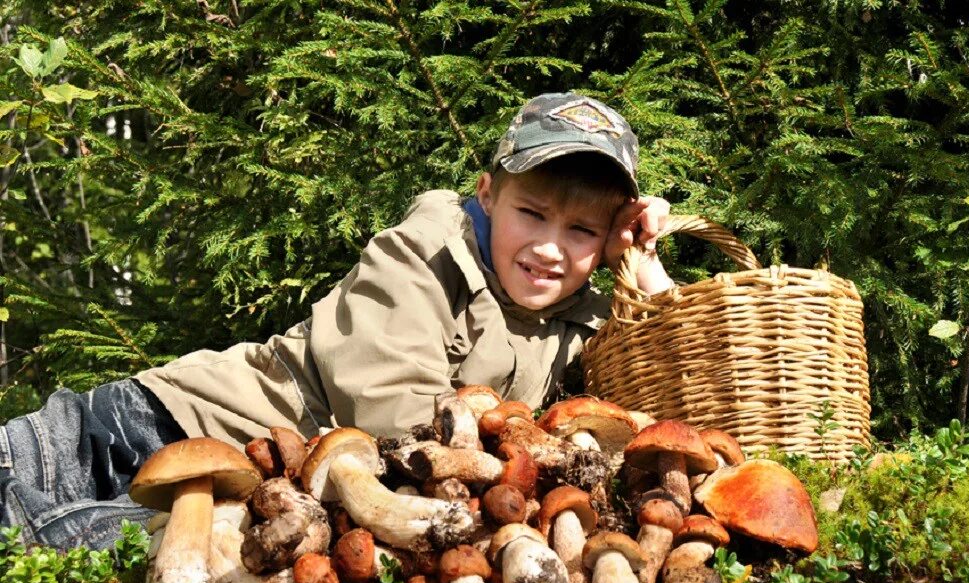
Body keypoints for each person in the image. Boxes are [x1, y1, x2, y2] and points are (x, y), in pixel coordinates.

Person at [0, 92, 674, 549]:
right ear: (488, 195)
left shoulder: (578, 315)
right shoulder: (424, 253)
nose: (550, 246)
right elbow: (394, 417)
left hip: (245, 491)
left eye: (582, 228)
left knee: (69, 548)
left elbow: (675, 385)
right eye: (531, 213)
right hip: (162, 425)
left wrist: (642, 267)